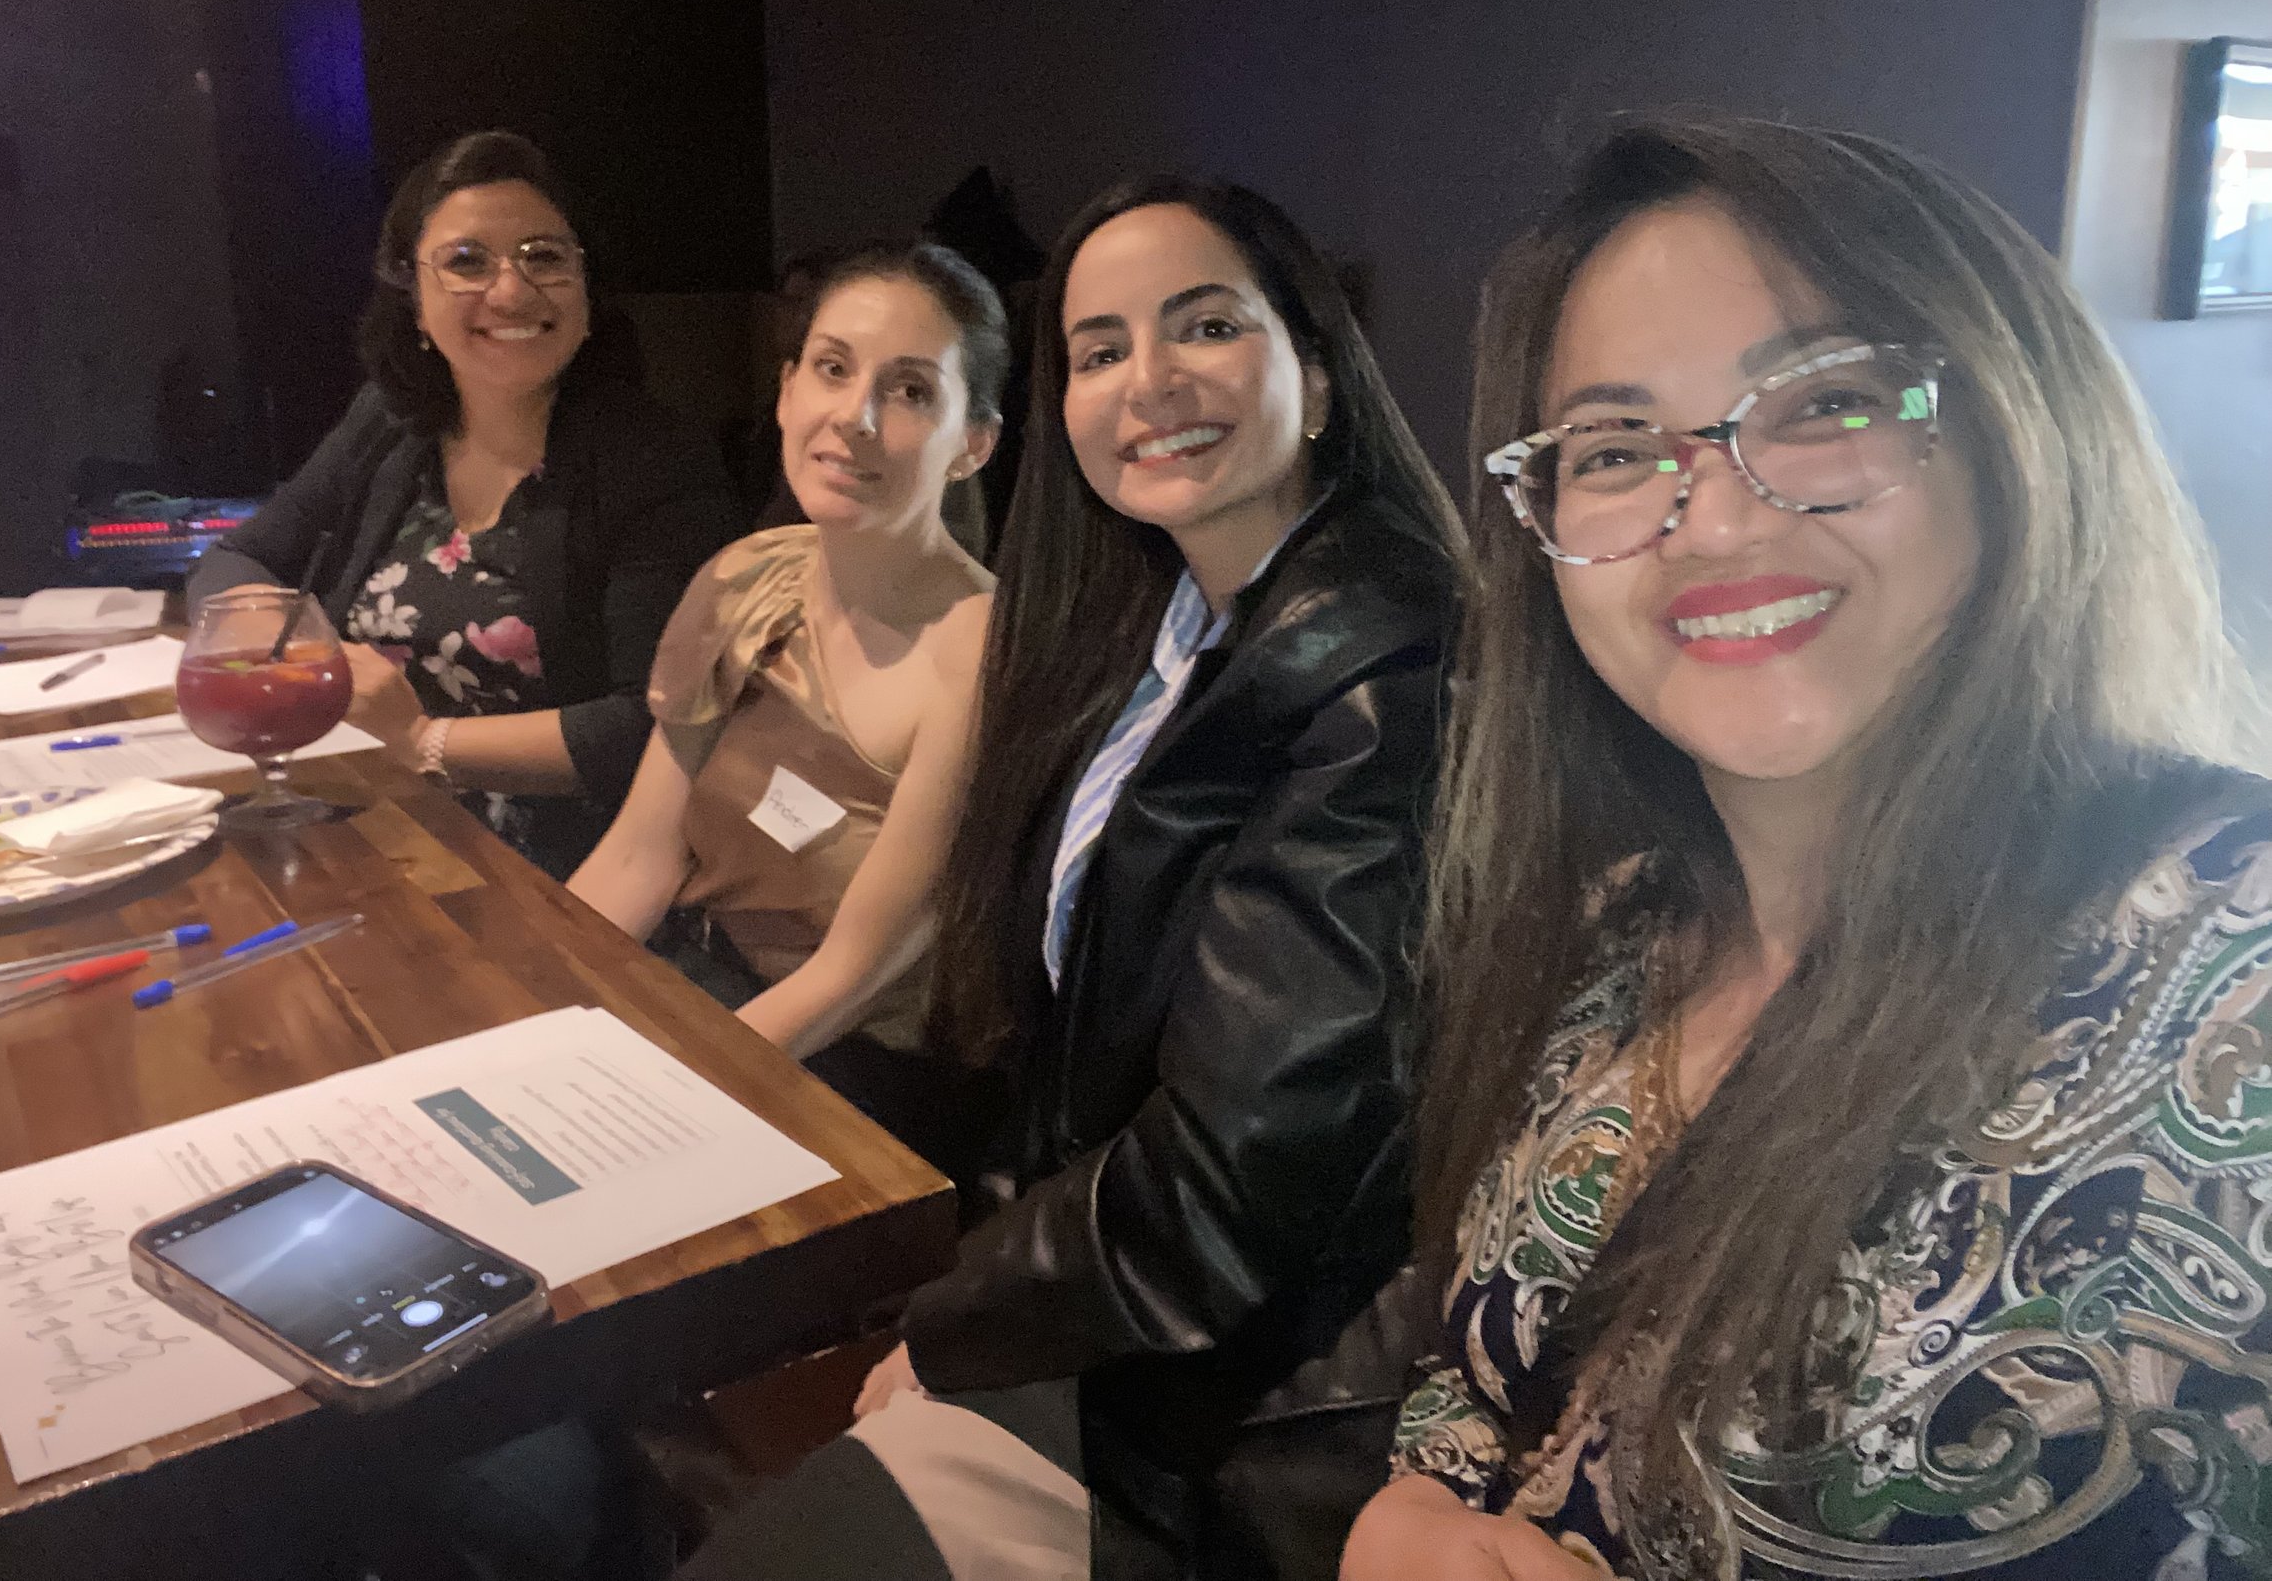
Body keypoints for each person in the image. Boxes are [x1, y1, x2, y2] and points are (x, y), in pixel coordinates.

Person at [1341, 118, 2272, 1581]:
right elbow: (1477, 1397)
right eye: (1615, 446)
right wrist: (1408, 1511)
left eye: (1824, 401)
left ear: (2018, 426)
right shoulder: (1620, 929)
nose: (1709, 513)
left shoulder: (2238, 966)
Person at [680, 178, 1469, 1581]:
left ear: (1324, 373)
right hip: (1111, 1313)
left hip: (1236, 1407)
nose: (1148, 381)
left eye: (1206, 325)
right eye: (1099, 349)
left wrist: (954, 1323)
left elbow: (1234, 1183)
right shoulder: (1150, 625)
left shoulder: (1385, 673)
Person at [187, 130, 742, 878]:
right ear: (414, 301)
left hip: (565, 871)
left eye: (544, 257)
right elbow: (237, 558)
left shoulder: (654, 459)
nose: (511, 291)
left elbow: (655, 724)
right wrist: (288, 651)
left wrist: (424, 740)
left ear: (586, 292)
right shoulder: (389, 423)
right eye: (466, 261)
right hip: (373, 826)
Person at [567, 240, 1005, 1162]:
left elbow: (851, 976)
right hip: (698, 996)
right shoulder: (747, 574)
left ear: (974, 443)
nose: (856, 416)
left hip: (862, 1082)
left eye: (912, 390)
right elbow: (639, 858)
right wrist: (517, 1009)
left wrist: (641, 1111)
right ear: (785, 390)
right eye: (833, 369)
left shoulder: (984, 653)